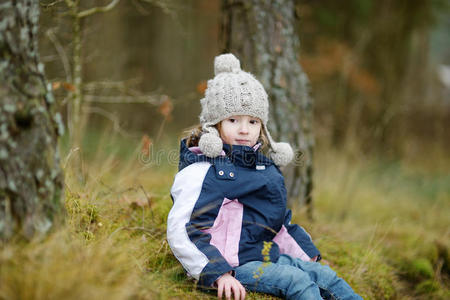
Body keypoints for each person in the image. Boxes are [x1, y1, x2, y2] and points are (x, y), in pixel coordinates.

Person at [167, 53, 363, 300]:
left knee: (324, 277)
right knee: (298, 281)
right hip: (230, 265)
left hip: (263, 255)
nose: (244, 129)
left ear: (263, 127)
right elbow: (183, 229)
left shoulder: (265, 169)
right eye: (233, 120)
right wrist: (218, 272)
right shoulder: (202, 170)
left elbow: (277, 223)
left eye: (252, 121)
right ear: (214, 124)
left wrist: (307, 256)